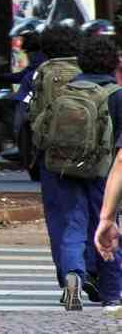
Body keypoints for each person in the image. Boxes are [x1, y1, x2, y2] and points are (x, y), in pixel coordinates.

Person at [38, 30, 121, 311]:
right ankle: (112, 293)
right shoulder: (117, 95)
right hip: (103, 173)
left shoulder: (68, 90)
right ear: (113, 63)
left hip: (64, 168)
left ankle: (72, 275)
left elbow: (40, 128)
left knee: (73, 225)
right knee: (106, 225)